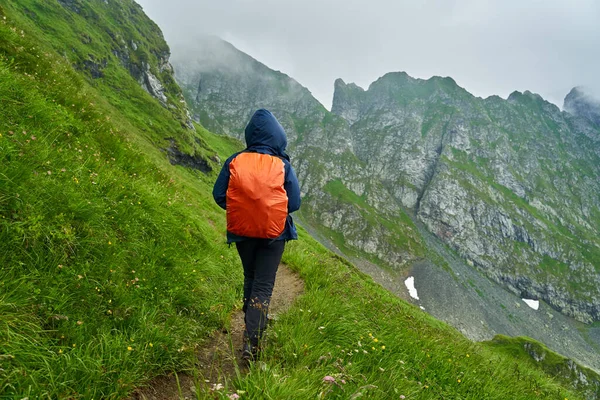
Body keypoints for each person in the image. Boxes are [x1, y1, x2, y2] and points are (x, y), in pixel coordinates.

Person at [212, 109, 301, 361]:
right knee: (264, 285)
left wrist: (244, 210)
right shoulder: (283, 165)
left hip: (243, 234)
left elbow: (219, 195)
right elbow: (293, 203)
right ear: (278, 137)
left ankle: (250, 324)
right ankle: (253, 343)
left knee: (250, 277)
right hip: (274, 236)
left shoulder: (234, 160)